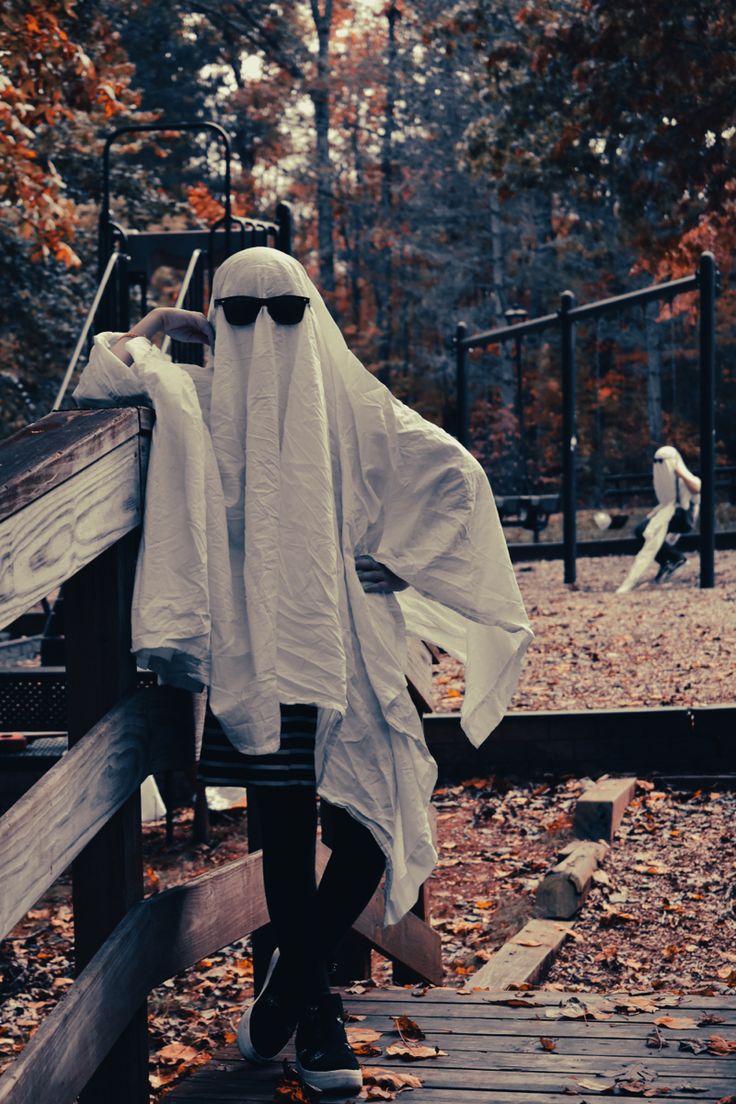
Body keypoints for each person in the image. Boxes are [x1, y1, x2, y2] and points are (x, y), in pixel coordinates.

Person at [73, 247, 532, 1093]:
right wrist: (169, 327)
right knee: (284, 832)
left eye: (285, 311)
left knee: (370, 824)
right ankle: (317, 1024)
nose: (266, 331)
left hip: (340, 646)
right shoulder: (200, 401)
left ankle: (288, 988)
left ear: (312, 314)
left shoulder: (353, 407)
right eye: (240, 315)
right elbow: (99, 379)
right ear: (220, 325)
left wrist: (397, 557)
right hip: (256, 659)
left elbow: (454, 477)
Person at [616, 445, 701, 594]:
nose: (660, 466)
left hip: (684, 516)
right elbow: (665, 500)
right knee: (642, 532)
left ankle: (676, 558)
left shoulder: (682, 478)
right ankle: (667, 562)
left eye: (663, 462)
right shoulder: (664, 480)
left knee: (645, 531)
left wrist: (680, 472)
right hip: (669, 512)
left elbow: (697, 487)